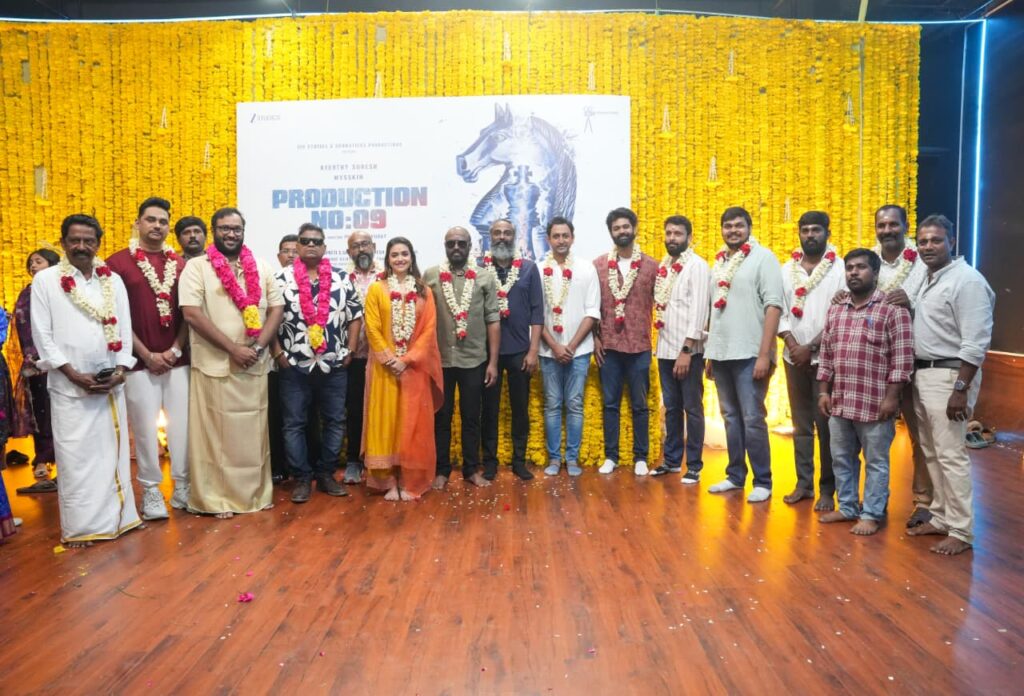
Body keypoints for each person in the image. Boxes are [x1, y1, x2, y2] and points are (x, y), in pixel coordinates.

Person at [31, 214, 141, 547]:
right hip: (69, 386)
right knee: (76, 459)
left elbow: (124, 328)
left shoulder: (112, 280)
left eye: (88, 240)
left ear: (98, 243)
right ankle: (80, 529)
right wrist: (72, 373)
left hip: (109, 384)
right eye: (74, 240)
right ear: (63, 243)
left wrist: (120, 370)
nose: (81, 246)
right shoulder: (46, 280)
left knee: (112, 455)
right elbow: (42, 335)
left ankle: (121, 519)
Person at [179, 207, 284, 519]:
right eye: (224, 228)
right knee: (214, 438)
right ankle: (216, 500)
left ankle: (255, 495)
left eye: (236, 228)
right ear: (214, 231)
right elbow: (191, 314)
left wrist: (259, 346)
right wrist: (232, 349)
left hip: (254, 365)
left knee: (252, 437)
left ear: (243, 231)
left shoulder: (261, 266)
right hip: (214, 365)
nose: (231, 234)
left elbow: (276, 308)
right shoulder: (196, 267)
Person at [906, 215, 994, 556]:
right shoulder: (930, 278)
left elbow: (975, 342)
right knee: (931, 451)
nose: (928, 246)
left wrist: (960, 389)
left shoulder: (967, 281)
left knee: (951, 454)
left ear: (952, 242)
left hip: (950, 376)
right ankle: (941, 517)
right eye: (923, 241)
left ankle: (961, 530)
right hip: (924, 374)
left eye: (936, 240)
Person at [817, 249, 913, 535]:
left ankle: (871, 513)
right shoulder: (836, 309)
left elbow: (902, 359)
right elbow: (826, 354)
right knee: (841, 458)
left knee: (877, 462)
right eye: (849, 268)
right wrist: (823, 392)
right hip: (841, 401)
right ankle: (847, 507)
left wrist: (892, 398)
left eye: (861, 267)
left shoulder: (892, 309)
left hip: (875, 403)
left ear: (876, 272)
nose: (854, 272)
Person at [107, 197, 190, 520]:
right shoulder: (116, 264)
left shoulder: (180, 265)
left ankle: (183, 485)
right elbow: (115, 316)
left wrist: (175, 350)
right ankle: (151, 491)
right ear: (137, 223)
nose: (157, 226)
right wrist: (145, 353)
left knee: (182, 427)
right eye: (151, 220)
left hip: (177, 361)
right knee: (143, 428)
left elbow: (189, 314)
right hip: (138, 363)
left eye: (163, 221)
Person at [272, 223, 363, 503]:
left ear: (324, 247)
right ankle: (301, 478)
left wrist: (350, 350)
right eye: (305, 241)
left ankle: (325, 474)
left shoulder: (340, 278)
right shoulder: (279, 279)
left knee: (335, 421)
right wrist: (278, 353)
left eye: (316, 241)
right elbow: (268, 319)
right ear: (297, 246)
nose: (311, 245)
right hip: (293, 365)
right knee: (293, 424)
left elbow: (355, 315)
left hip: (334, 364)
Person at [704, 206, 784, 503]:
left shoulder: (764, 258)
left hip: (751, 352)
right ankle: (735, 476)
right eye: (728, 226)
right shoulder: (720, 262)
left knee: (752, 418)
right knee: (730, 417)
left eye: (739, 225)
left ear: (749, 227)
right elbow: (715, 311)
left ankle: (763, 480)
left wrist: (765, 355)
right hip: (722, 354)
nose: (733, 230)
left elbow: (774, 306)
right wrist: (711, 354)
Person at [362, 237, 443, 500]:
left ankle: (410, 480)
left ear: (412, 257)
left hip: (414, 369)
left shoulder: (424, 291)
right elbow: (372, 327)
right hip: (384, 369)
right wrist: (389, 359)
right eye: (394, 254)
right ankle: (388, 482)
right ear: (387, 259)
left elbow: (429, 331)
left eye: (404, 254)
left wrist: (406, 360)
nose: (400, 259)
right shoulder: (377, 289)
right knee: (386, 422)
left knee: (413, 424)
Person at [778, 211, 846, 510]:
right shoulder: (786, 269)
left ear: (828, 233)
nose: (810, 235)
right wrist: (793, 345)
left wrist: (812, 346)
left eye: (816, 230)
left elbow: (840, 313)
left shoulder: (840, 269)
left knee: (827, 426)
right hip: (793, 358)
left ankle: (828, 489)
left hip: (827, 360)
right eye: (804, 230)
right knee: (801, 425)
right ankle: (803, 484)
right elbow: (778, 308)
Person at [423, 226, 500, 490]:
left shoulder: (484, 277)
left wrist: (493, 362)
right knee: (441, 417)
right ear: (445, 246)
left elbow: (493, 320)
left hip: (474, 359)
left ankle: (471, 469)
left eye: (461, 243)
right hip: (440, 360)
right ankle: (441, 470)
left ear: (470, 247)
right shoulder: (431, 276)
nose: (456, 248)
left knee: (471, 417)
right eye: (451, 243)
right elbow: (422, 318)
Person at [871, 205, 930, 529]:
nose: (887, 230)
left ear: (906, 226)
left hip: (917, 358)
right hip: (876, 361)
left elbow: (932, 299)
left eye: (893, 224)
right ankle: (874, 501)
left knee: (921, 435)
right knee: (874, 436)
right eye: (882, 225)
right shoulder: (868, 259)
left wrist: (911, 302)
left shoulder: (922, 259)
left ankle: (924, 503)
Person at [593, 207, 658, 476]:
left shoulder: (652, 266)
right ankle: (611, 456)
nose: (622, 231)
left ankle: (640, 457)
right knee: (610, 404)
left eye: (625, 227)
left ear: (634, 228)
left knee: (640, 405)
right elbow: (592, 307)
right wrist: (595, 339)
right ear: (611, 232)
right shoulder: (599, 266)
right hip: (608, 346)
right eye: (616, 228)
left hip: (640, 346)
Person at [480, 219, 544, 481]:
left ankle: (519, 461)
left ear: (515, 236)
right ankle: (490, 463)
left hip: (520, 351)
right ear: (490, 236)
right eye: (497, 233)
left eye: (507, 233)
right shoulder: (479, 269)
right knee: (489, 410)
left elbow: (537, 312)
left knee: (520, 409)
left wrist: (533, 350)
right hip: (487, 354)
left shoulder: (528, 268)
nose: (502, 237)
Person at [538, 217, 600, 477]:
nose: (561, 240)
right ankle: (554, 458)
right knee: (552, 405)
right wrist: (554, 345)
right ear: (548, 239)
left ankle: (572, 458)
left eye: (565, 235)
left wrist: (571, 346)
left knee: (574, 404)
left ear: (572, 238)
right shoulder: (538, 270)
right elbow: (535, 315)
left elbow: (592, 311)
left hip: (580, 351)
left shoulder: (586, 269)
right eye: (556, 236)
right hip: (547, 351)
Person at [651, 215, 710, 483]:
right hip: (665, 349)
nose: (672, 238)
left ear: (689, 237)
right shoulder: (664, 266)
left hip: (688, 352)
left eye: (678, 233)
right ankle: (672, 461)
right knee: (672, 407)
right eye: (669, 233)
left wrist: (687, 350)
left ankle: (694, 465)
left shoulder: (697, 266)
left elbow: (699, 312)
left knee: (692, 408)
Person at [268, 232, 320, 484]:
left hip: (317, 363)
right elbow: (267, 320)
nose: (290, 255)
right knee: (286, 419)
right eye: (285, 251)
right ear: (279, 255)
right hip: (282, 363)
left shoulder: (322, 279)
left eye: (293, 250)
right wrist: (278, 353)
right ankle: (289, 470)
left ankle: (315, 469)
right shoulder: (274, 281)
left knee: (313, 418)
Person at [13, 248, 60, 486]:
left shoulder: (63, 290)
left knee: (63, 413)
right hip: (36, 363)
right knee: (41, 412)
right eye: (30, 262)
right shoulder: (27, 293)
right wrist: (33, 357)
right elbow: (22, 326)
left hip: (63, 362)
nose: (33, 266)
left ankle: (66, 462)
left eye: (38, 261)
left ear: (52, 264)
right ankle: (42, 460)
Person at [342, 230, 381, 484]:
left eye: (365, 244)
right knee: (355, 410)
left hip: (382, 356)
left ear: (374, 247)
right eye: (356, 246)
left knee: (382, 408)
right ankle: (354, 462)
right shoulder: (341, 278)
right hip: (354, 356)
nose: (361, 249)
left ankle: (380, 461)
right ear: (349, 252)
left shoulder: (387, 275)